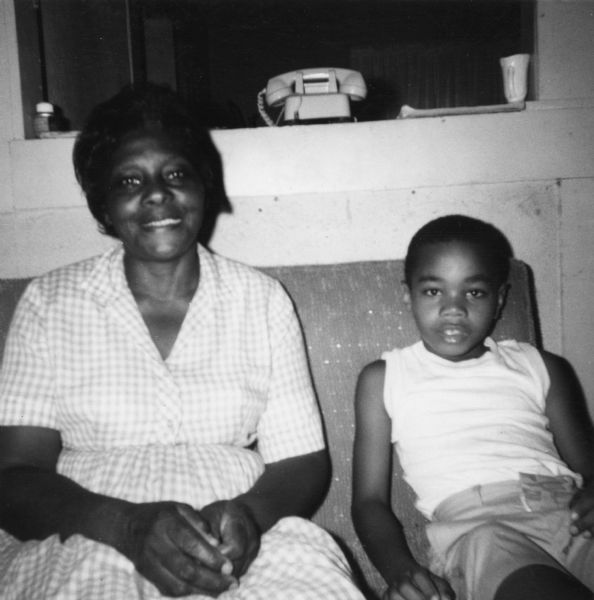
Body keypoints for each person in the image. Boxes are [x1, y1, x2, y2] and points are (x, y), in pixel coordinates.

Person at [0, 82, 364, 600]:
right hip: (87, 531)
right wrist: (126, 528)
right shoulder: (49, 302)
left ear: (203, 188)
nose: (156, 193)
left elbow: (301, 460)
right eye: (129, 180)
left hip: (241, 536)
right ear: (103, 204)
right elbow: (14, 473)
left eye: (176, 173)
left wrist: (248, 517)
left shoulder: (261, 300)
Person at [351, 214, 594, 600]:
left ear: (499, 299)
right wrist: (402, 571)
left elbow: (589, 466)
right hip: (477, 530)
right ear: (407, 294)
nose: (454, 309)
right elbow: (369, 501)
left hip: (569, 515)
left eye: (474, 293)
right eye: (433, 291)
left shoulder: (540, 367)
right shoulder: (384, 378)